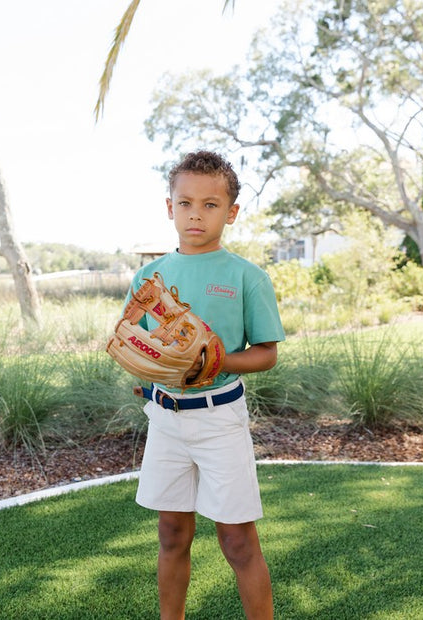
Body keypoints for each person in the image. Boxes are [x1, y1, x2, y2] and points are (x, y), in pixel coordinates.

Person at [125, 150, 285, 620]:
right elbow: (138, 341)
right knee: (172, 534)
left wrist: (213, 362)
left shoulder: (246, 277)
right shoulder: (148, 278)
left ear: (231, 212)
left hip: (219, 418)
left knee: (237, 540)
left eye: (211, 204)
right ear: (169, 206)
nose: (196, 213)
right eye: (186, 202)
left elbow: (266, 353)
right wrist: (148, 371)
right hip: (166, 418)